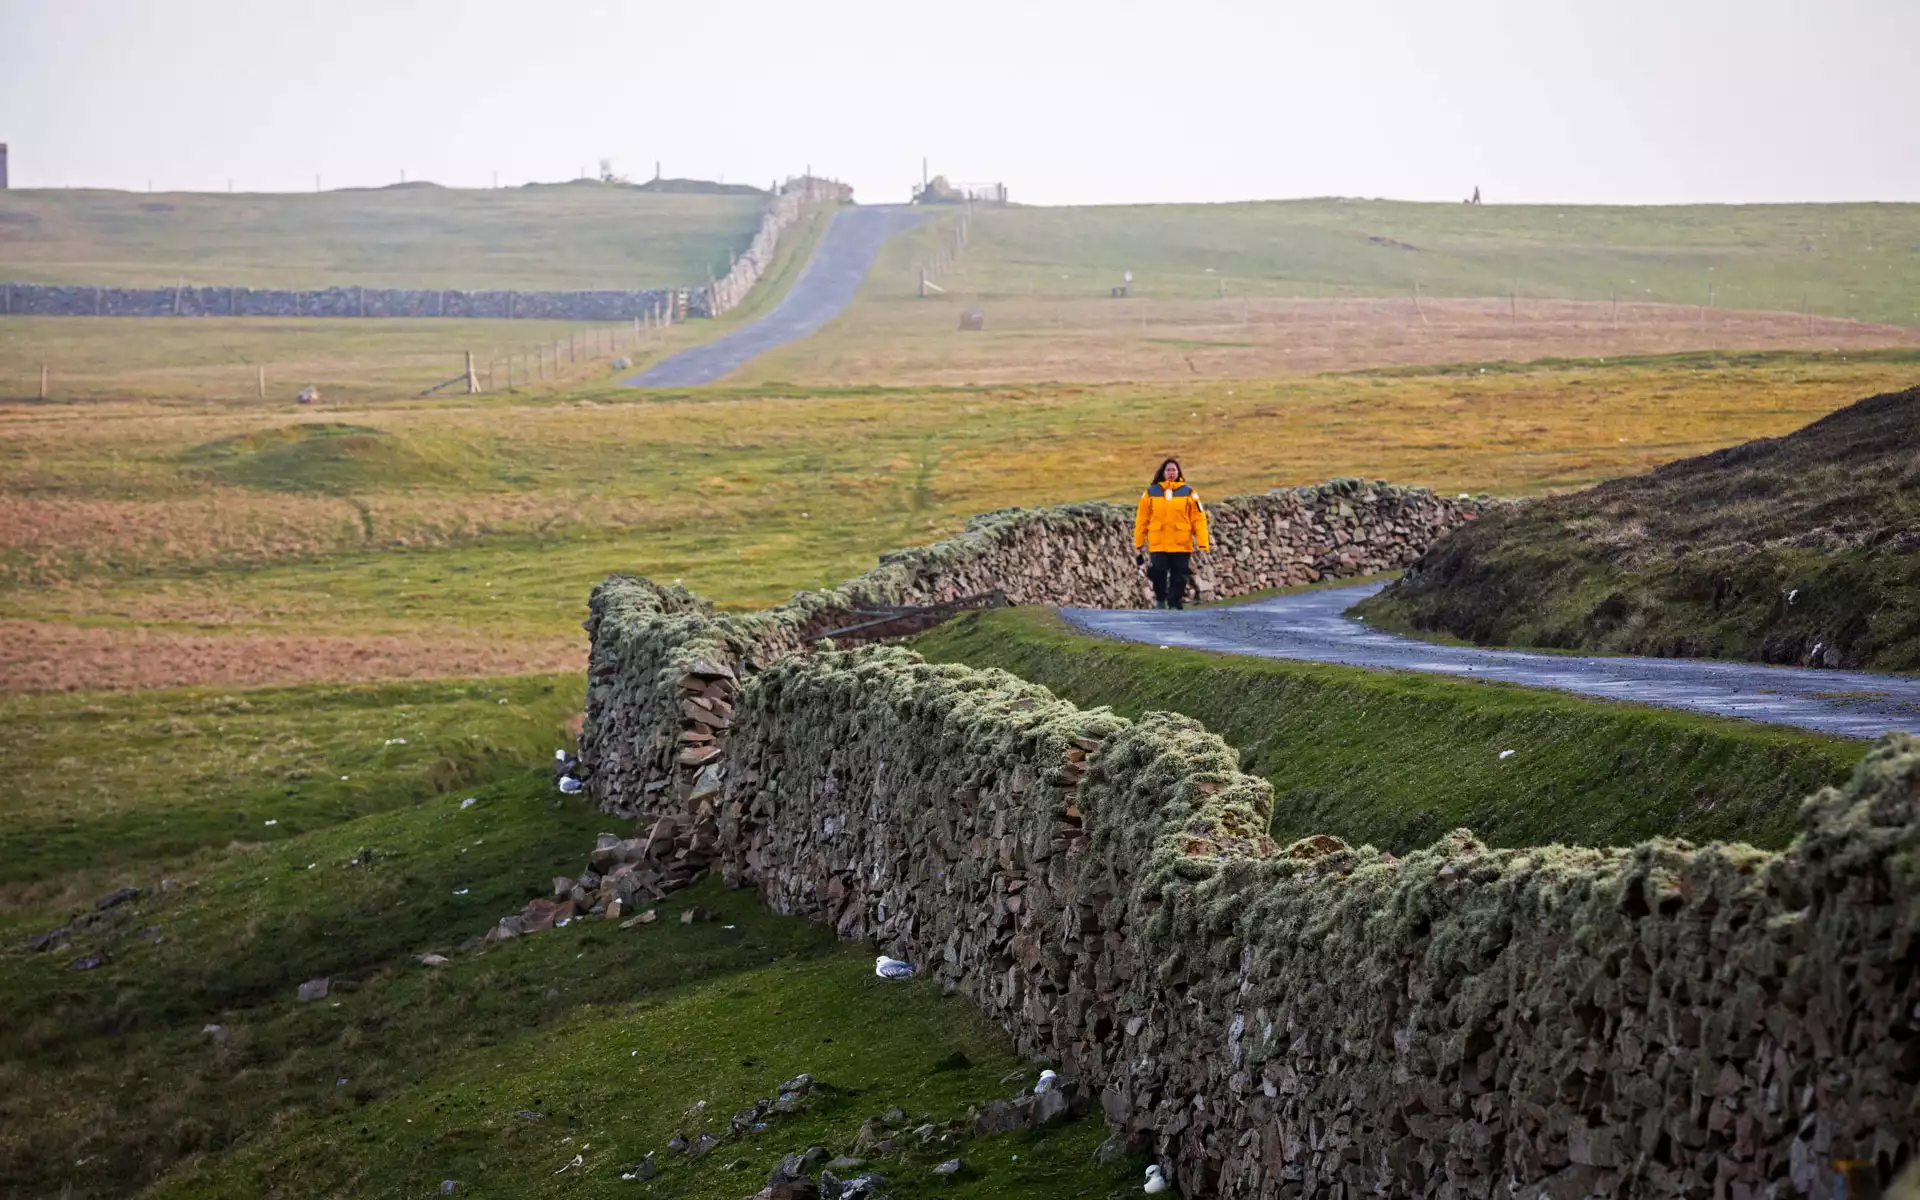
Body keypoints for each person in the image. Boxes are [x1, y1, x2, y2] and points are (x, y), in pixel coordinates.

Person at [1133, 458, 1211, 609]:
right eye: (1168, 470)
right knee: (1158, 573)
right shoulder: (1150, 493)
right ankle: (1161, 599)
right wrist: (1139, 542)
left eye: (1173, 470)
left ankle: (1175, 603)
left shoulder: (1189, 492)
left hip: (1181, 542)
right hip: (1158, 542)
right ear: (1163, 472)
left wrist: (1203, 542)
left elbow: (1198, 518)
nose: (1171, 473)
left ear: (1178, 472)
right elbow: (1142, 519)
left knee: (1180, 576)